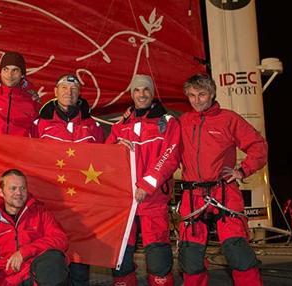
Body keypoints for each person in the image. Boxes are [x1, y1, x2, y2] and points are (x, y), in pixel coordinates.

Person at [177, 73, 267, 286]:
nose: (197, 100)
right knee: (190, 254)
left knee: (236, 249)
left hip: (223, 191)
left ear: (212, 93)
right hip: (193, 194)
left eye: (202, 94)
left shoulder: (228, 119)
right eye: (191, 95)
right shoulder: (182, 122)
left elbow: (258, 146)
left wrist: (243, 170)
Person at [105, 74, 180, 286]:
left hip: (152, 198)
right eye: (137, 90)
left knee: (158, 256)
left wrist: (147, 184)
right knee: (122, 255)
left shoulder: (167, 121)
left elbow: (170, 155)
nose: (141, 94)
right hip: (125, 200)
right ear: (132, 94)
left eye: (146, 90)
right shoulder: (122, 123)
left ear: (152, 93)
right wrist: (116, 145)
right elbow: (104, 155)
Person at [33, 73, 104, 285]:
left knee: (80, 261)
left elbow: (104, 158)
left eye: (73, 90)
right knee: (52, 258)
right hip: (52, 201)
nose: (69, 93)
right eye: (64, 88)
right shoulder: (39, 124)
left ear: (79, 94)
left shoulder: (93, 126)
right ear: (55, 92)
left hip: (82, 203)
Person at [0, 169, 69, 285]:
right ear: (1, 192)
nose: (19, 193)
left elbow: (61, 239)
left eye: (23, 188)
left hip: (33, 277)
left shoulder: (40, 213)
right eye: (13, 188)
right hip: (4, 280)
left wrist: (24, 252)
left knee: (54, 259)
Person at [0, 51, 40, 136]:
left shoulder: (32, 101)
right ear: (0, 72)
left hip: (17, 148)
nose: (9, 75)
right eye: (5, 69)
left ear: (22, 74)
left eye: (15, 70)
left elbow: (37, 133)